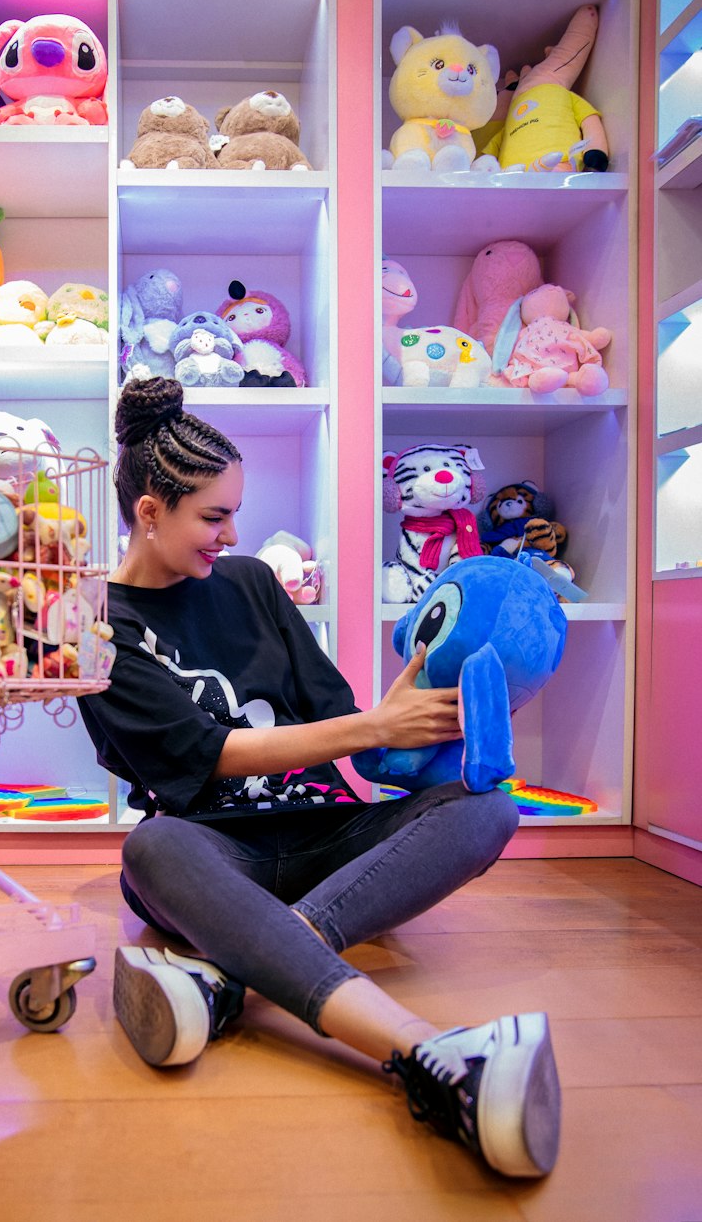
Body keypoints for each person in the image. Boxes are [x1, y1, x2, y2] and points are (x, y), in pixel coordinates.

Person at [77, 376, 561, 1179]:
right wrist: (372, 725)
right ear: (150, 512)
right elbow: (205, 754)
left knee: (489, 812)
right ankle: (425, 1053)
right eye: (213, 516)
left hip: (322, 833)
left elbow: (342, 726)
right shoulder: (100, 623)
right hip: (208, 848)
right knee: (149, 850)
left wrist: (415, 728)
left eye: (235, 512)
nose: (231, 534)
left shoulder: (253, 584)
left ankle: (230, 982)